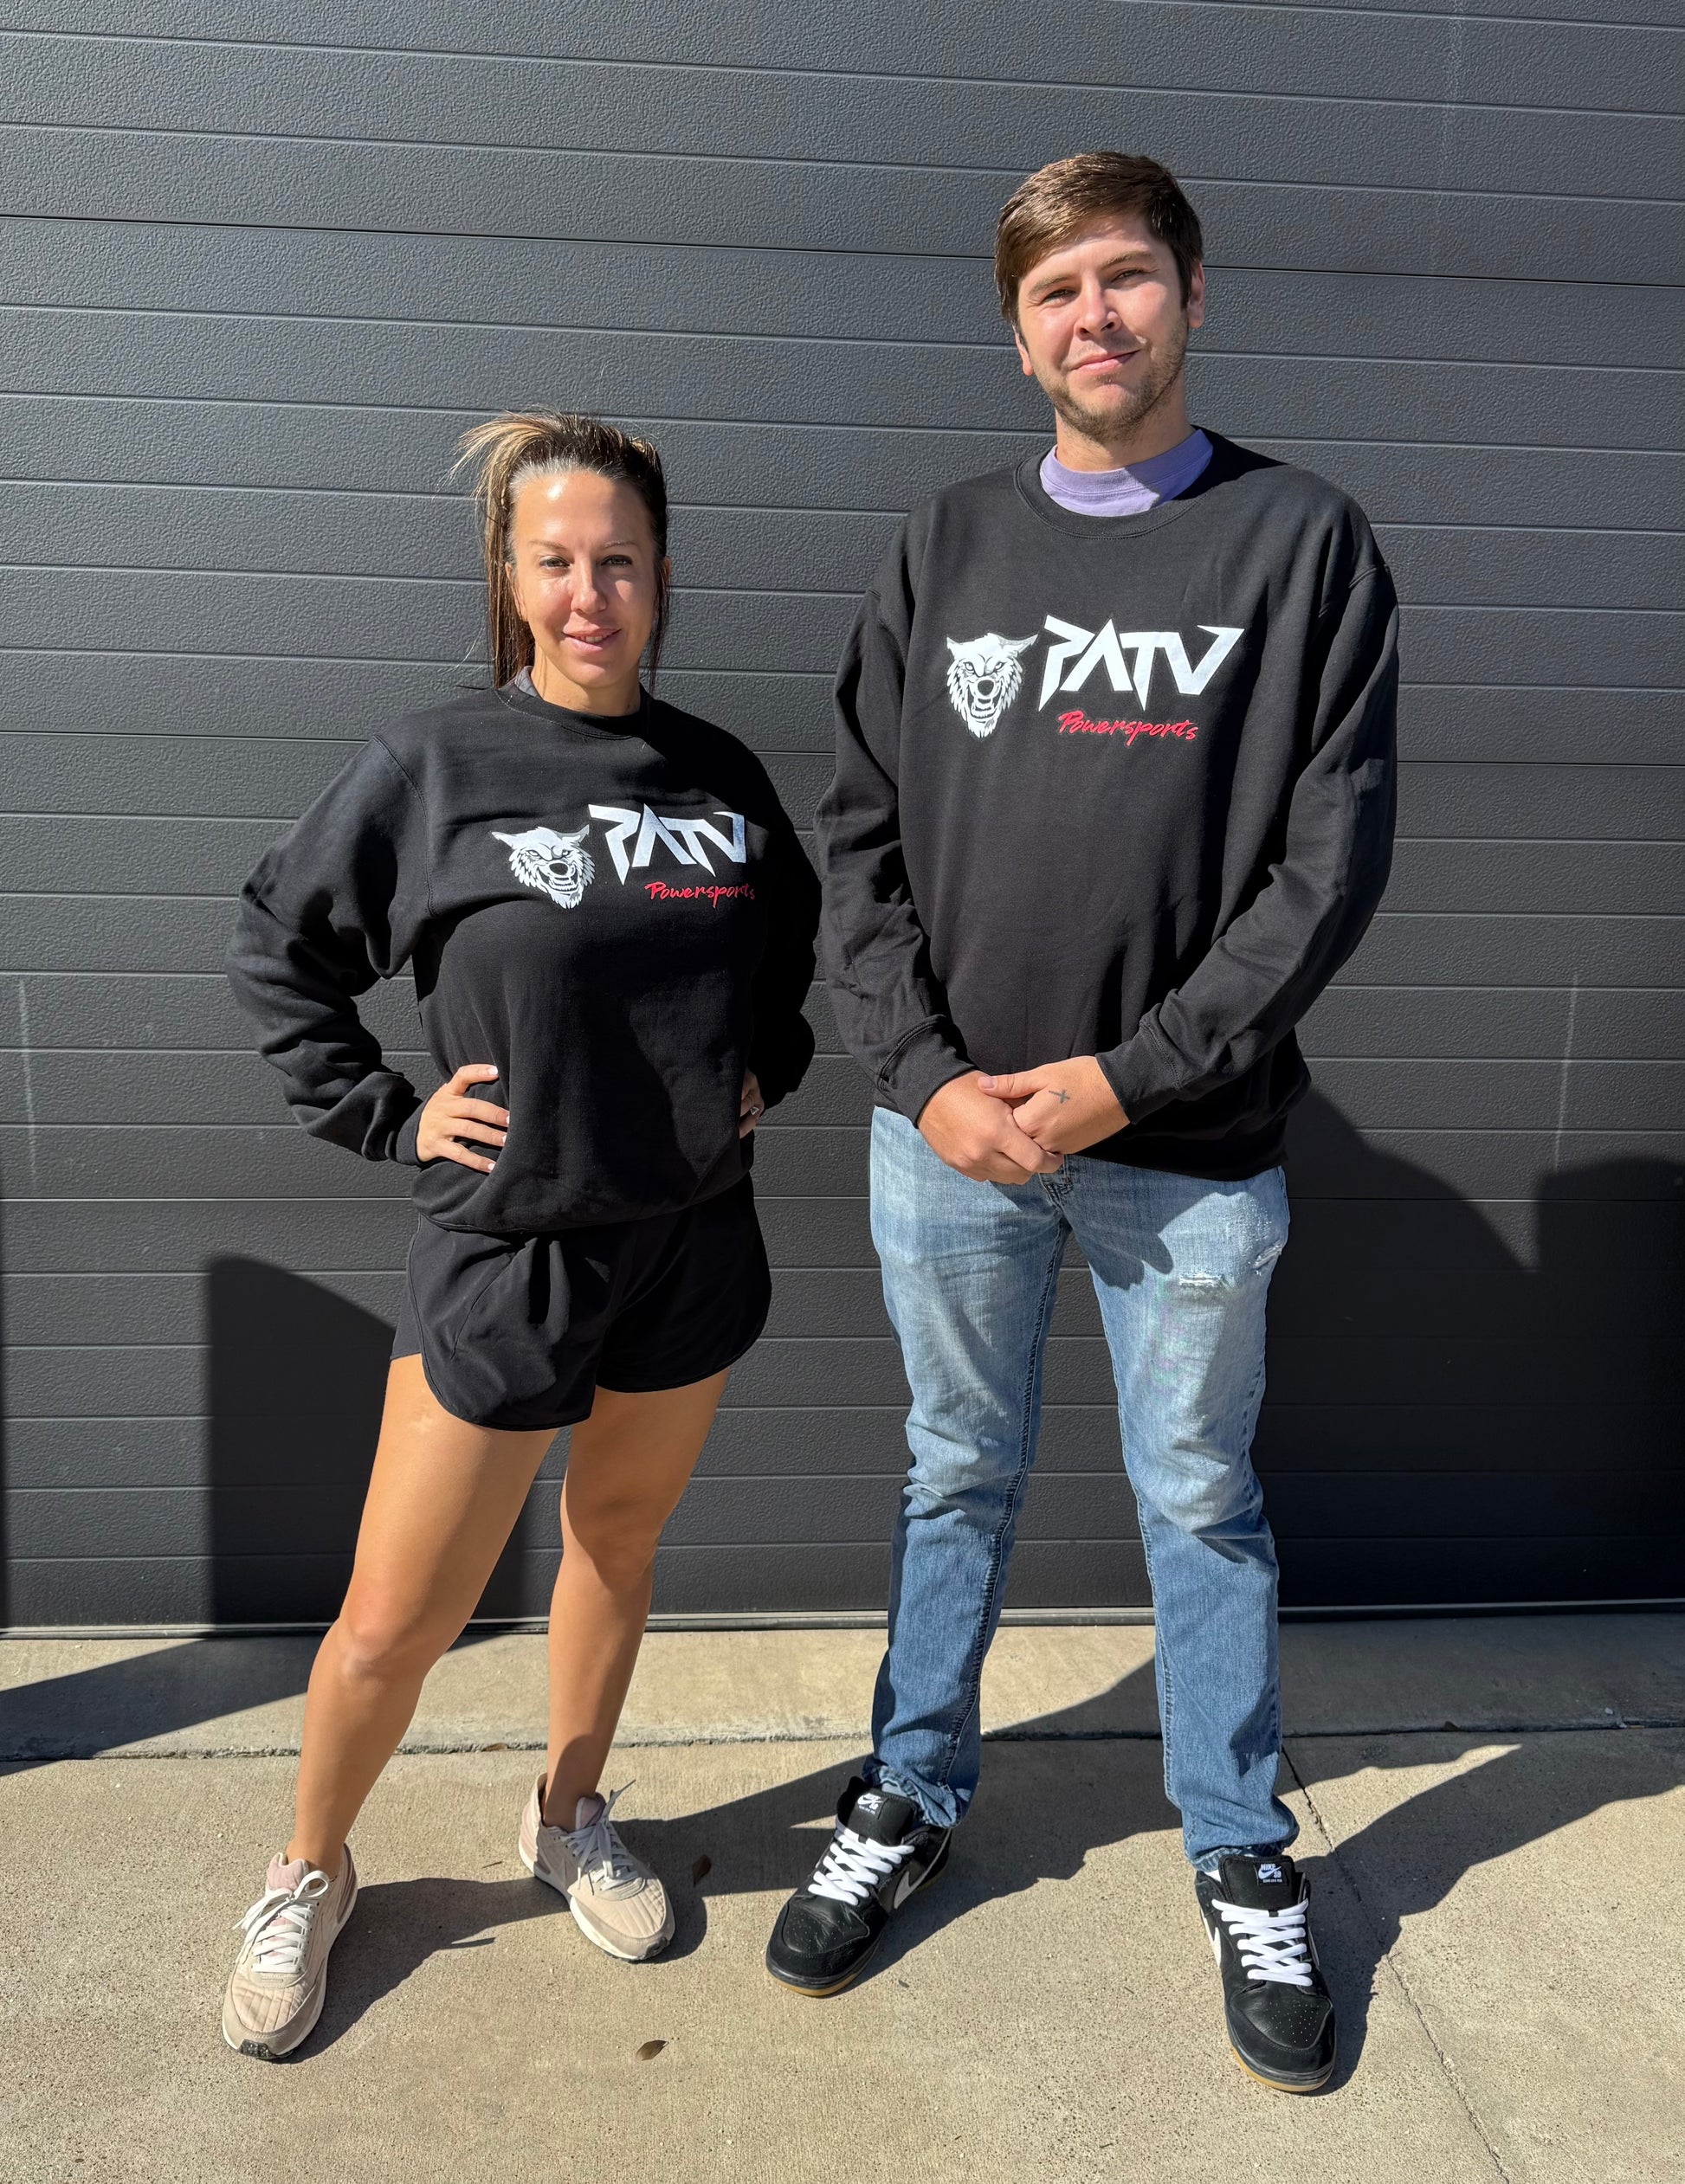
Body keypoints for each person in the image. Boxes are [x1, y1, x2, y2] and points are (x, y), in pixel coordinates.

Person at [765, 154, 1398, 2093]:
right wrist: (924, 1075)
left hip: (1183, 1154)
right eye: (1055, 290)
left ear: (1193, 294)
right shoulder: (945, 544)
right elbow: (856, 839)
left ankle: (1239, 1844)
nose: (1093, 316)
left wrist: (1135, 1071)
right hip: (950, 1140)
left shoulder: (1299, 545)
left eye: (1125, 277)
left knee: (1197, 1498)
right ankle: (909, 1786)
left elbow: (1323, 870)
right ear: (1016, 331)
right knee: (953, 1468)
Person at [220, 411, 819, 2059]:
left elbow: (785, 966)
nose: (587, 594)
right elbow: (281, 943)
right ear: (509, 575)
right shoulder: (434, 767)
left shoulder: (723, 777)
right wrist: (385, 1112)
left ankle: (568, 1818)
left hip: (689, 1244)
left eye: (617, 561)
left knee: (616, 1546)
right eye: (554, 561)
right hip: (512, 1249)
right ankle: (307, 1869)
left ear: (661, 576)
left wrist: (765, 1067)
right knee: (393, 1620)